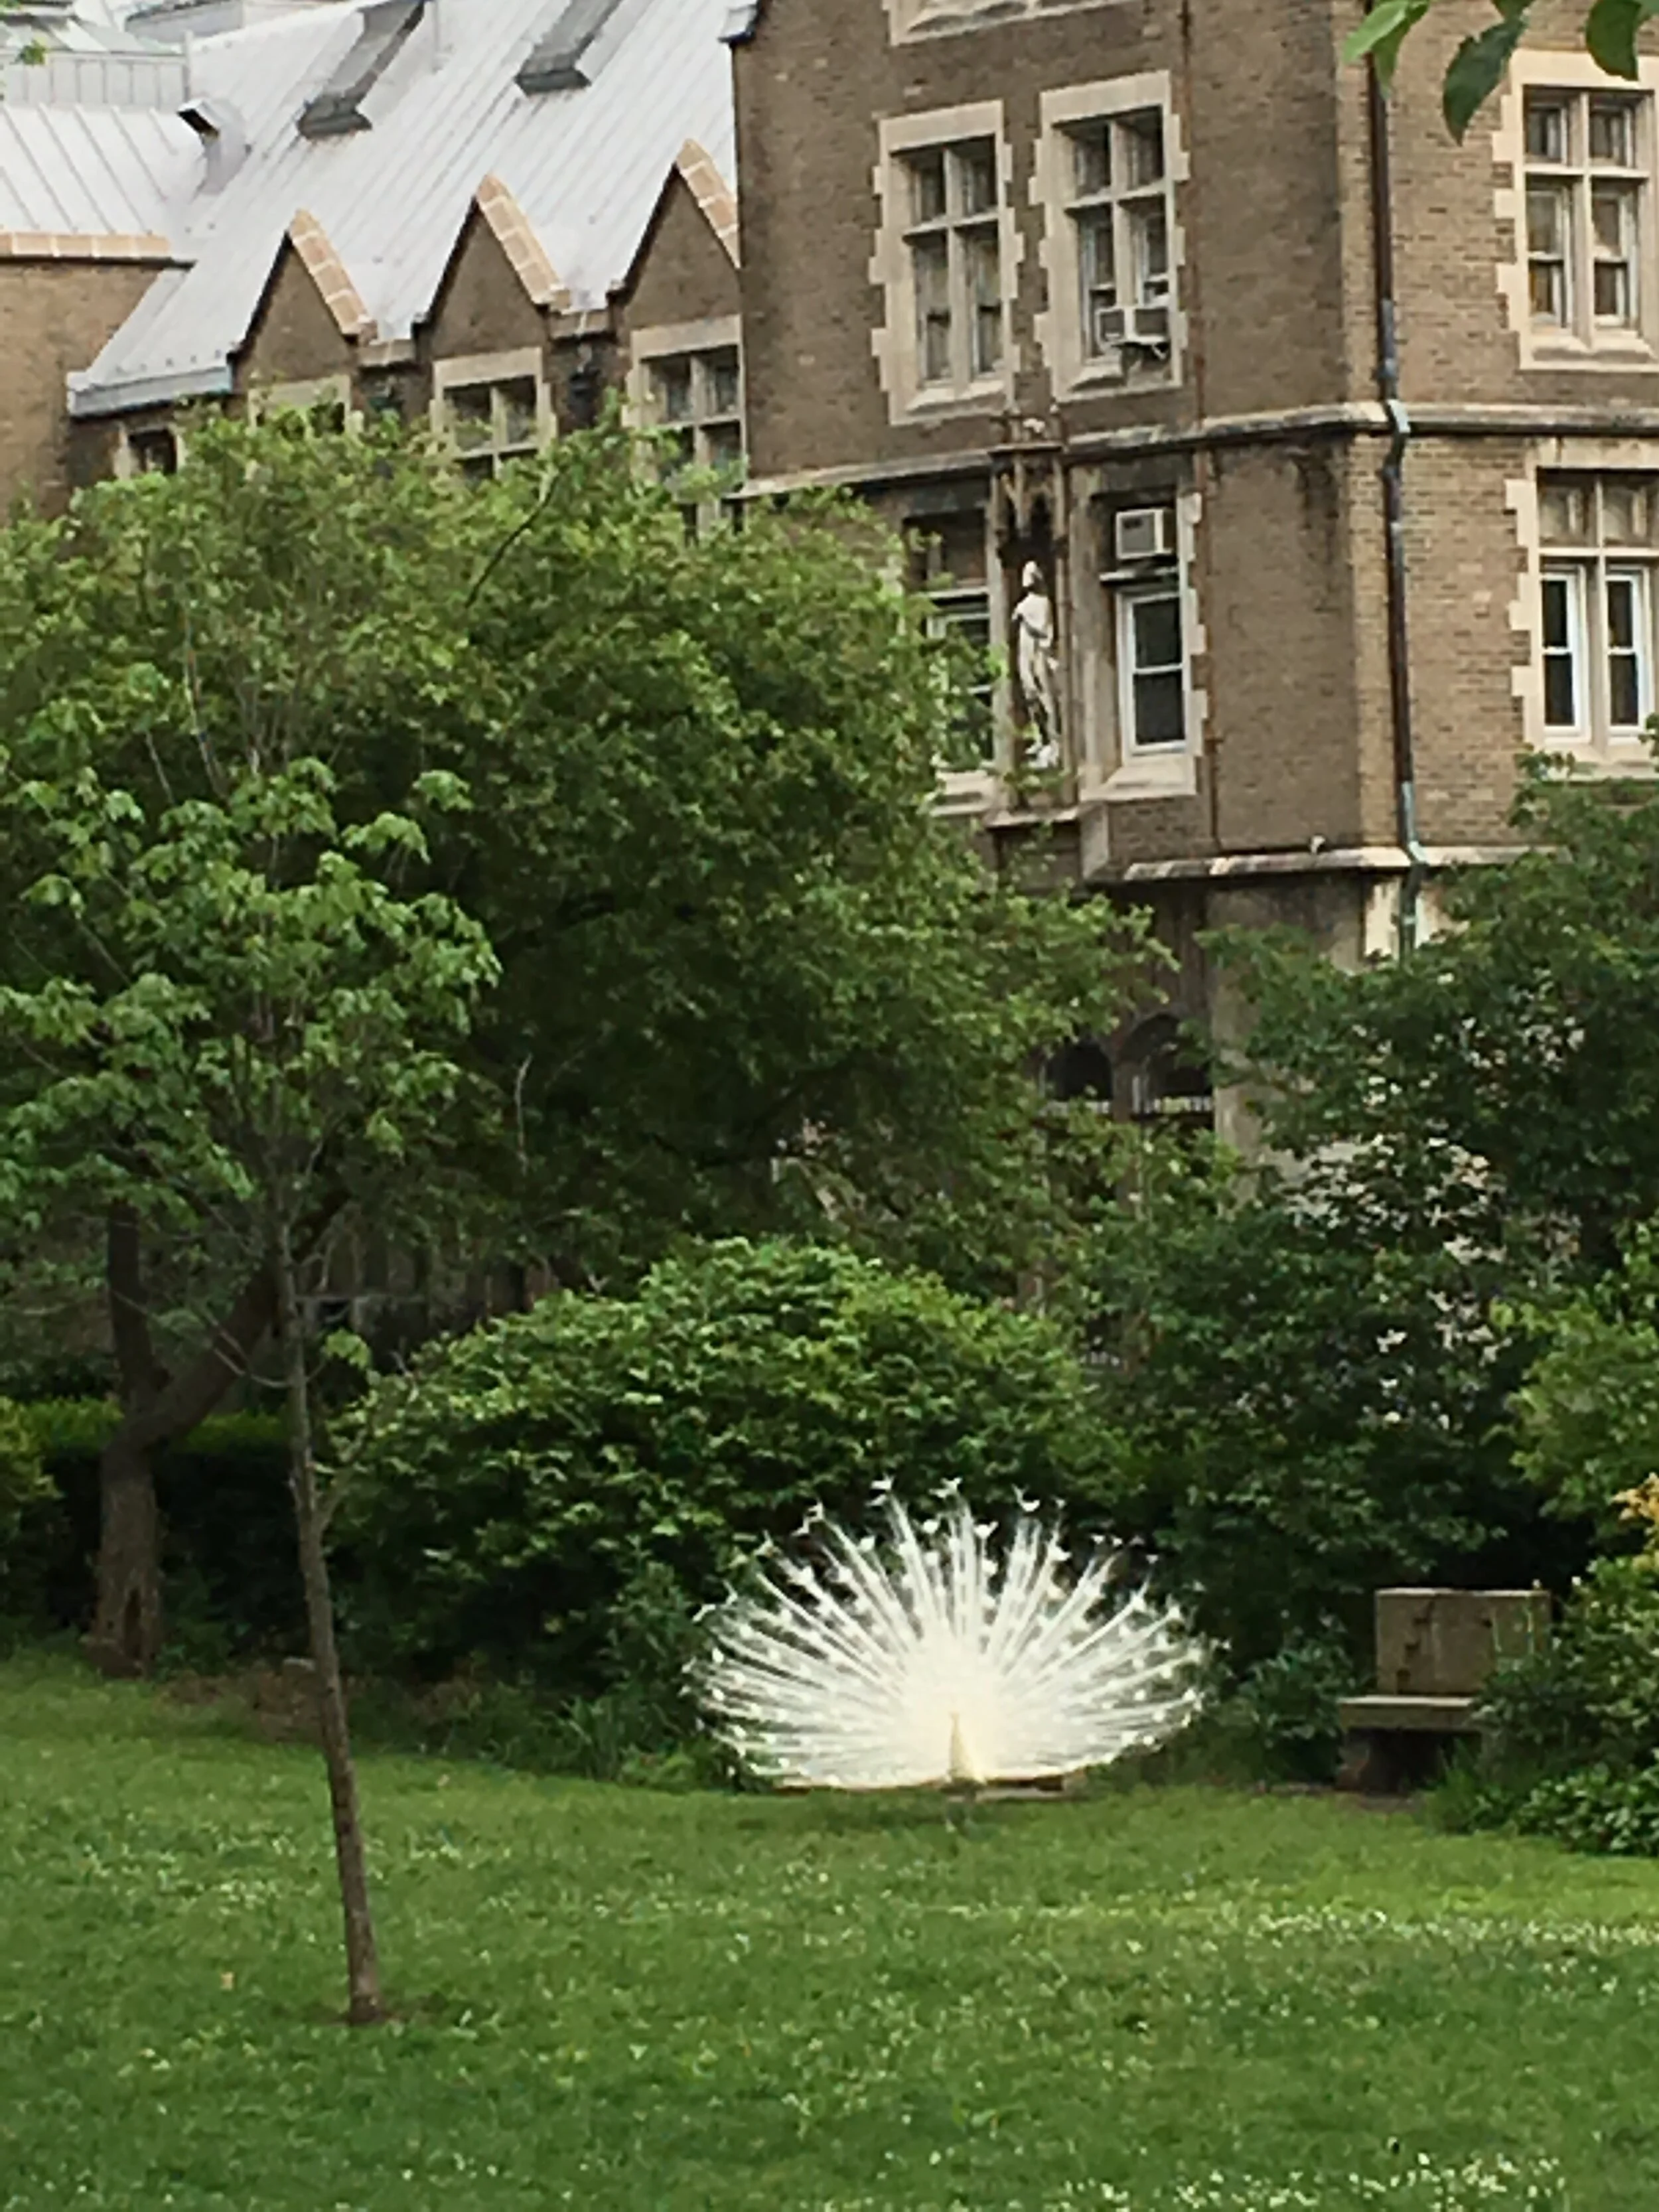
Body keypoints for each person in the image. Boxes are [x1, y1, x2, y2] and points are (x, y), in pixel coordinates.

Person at [1012, 561, 1060, 767]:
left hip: (1039, 655)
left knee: (1044, 696)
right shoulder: (1025, 603)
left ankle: (1052, 742)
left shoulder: (1042, 603)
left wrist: (1025, 619)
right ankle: (1039, 738)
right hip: (1026, 653)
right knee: (1030, 695)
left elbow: (1044, 630)